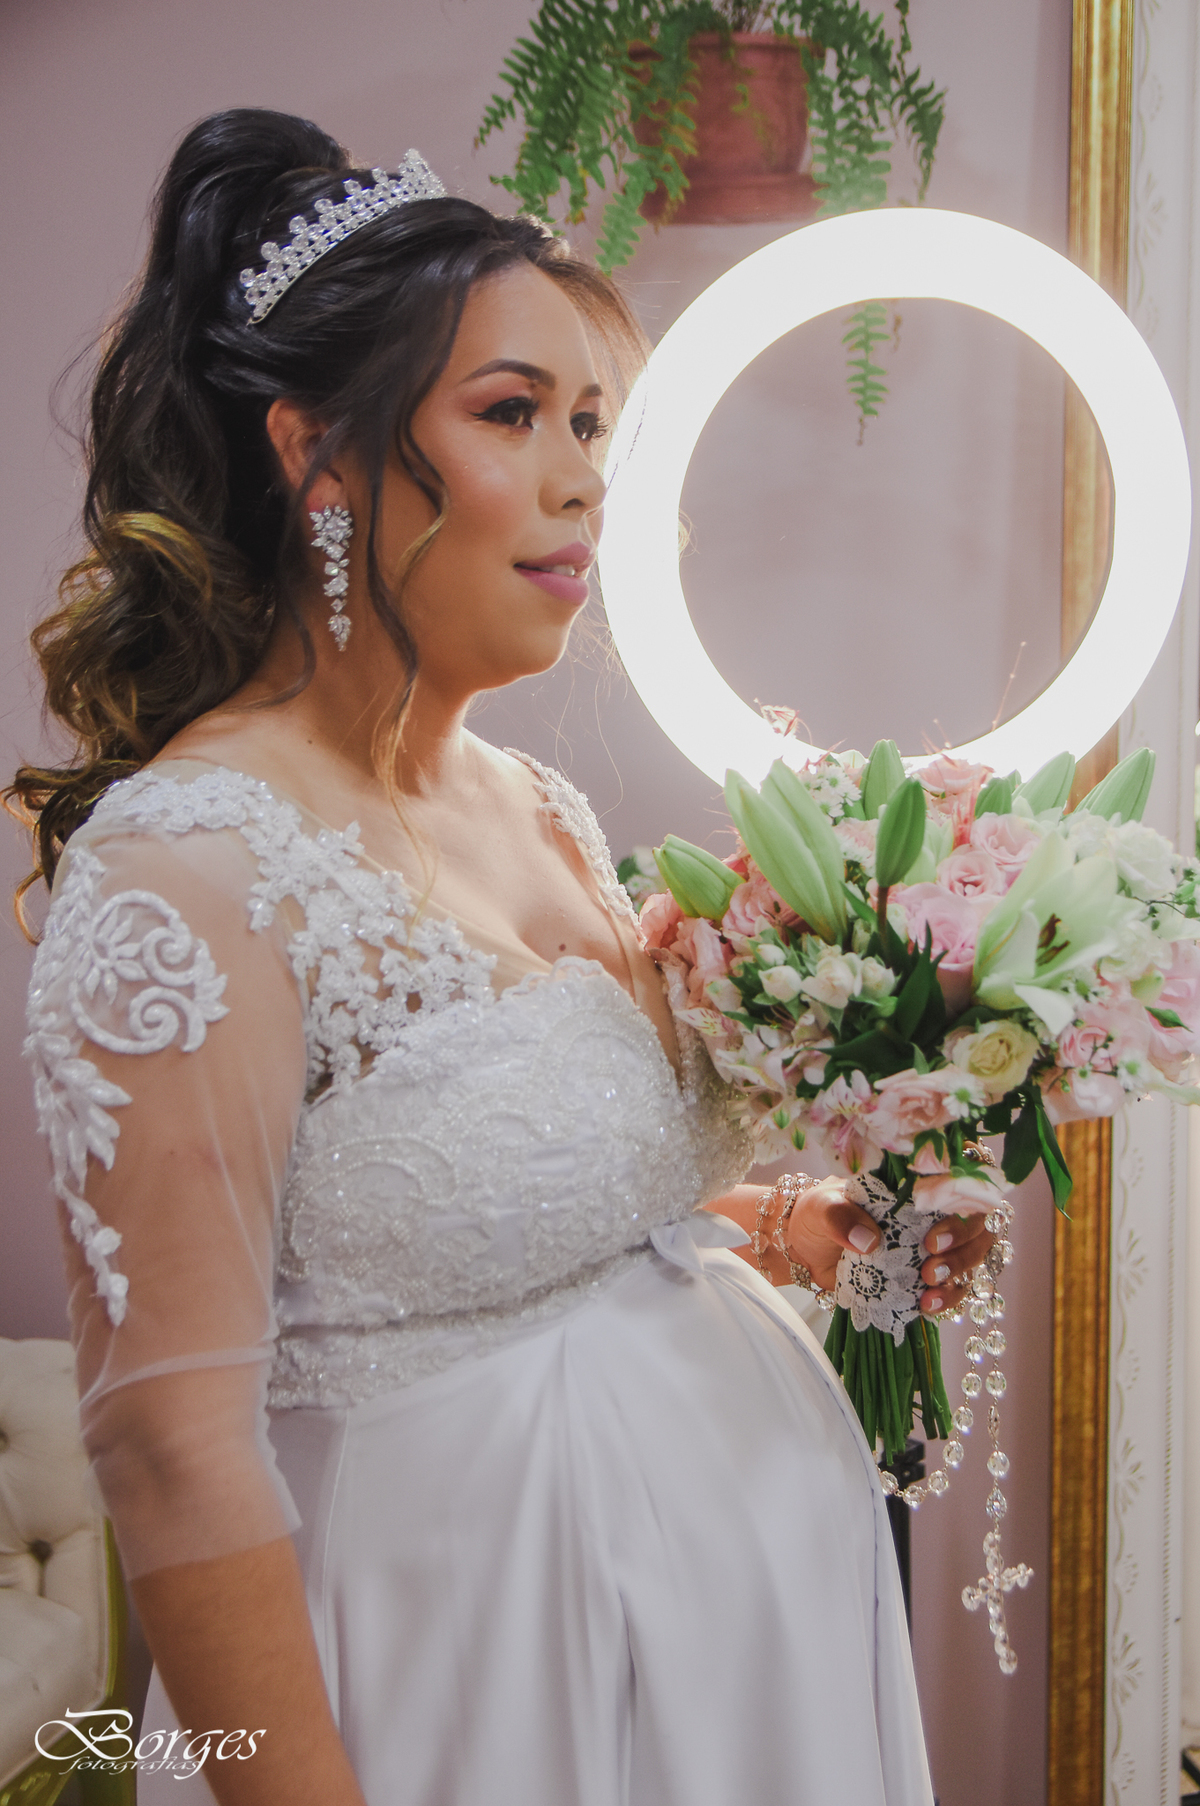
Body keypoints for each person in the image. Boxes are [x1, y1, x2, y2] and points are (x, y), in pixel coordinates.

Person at [11, 108, 993, 1806]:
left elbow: (532, 1220)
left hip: (743, 1662)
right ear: (317, 456)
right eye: (510, 411)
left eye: (590, 422)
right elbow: (171, 1450)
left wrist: (791, 1225)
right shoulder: (189, 871)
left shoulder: (529, 798)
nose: (580, 476)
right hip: (468, 1669)